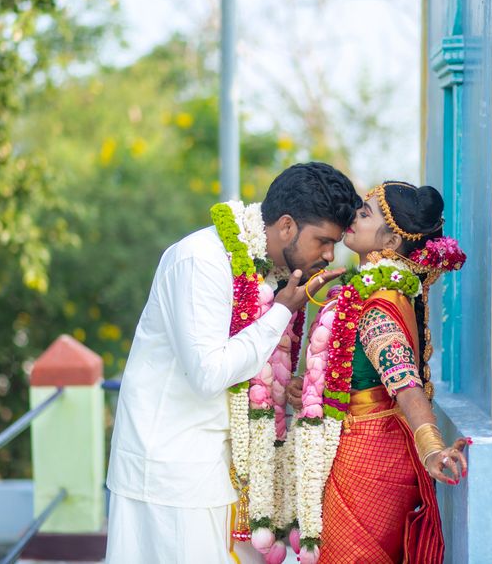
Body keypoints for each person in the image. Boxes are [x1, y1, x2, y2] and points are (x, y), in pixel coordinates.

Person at [105, 162, 361, 564]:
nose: (329, 255)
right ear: (287, 226)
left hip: (222, 473)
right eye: (323, 241)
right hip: (172, 474)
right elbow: (208, 374)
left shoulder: (270, 274)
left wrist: (288, 388)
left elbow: (249, 369)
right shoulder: (201, 261)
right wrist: (279, 314)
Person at [288, 181, 471, 564]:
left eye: (366, 213)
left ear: (389, 242)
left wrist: (433, 449)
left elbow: (405, 385)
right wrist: (310, 392)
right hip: (359, 443)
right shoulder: (367, 292)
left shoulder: (377, 303)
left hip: (369, 455)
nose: (354, 215)